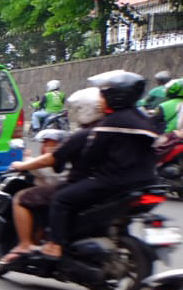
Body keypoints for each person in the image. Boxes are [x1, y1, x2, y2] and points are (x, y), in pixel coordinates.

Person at [27, 70, 158, 258]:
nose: (101, 100)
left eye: (104, 95)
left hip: (112, 182)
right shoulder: (145, 121)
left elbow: (90, 155)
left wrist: (77, 171)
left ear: (115, 97)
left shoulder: (109, 123)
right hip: (146, 182)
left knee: (61, 199)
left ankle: (55, 244)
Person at [0, 128, 73, 264]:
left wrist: (22, 161)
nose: (44, 146)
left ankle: (25, 244)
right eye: (44, 143)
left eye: (49, 143)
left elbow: (40, 165)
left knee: (20, 199)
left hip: (59, 193)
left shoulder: (54, 161)